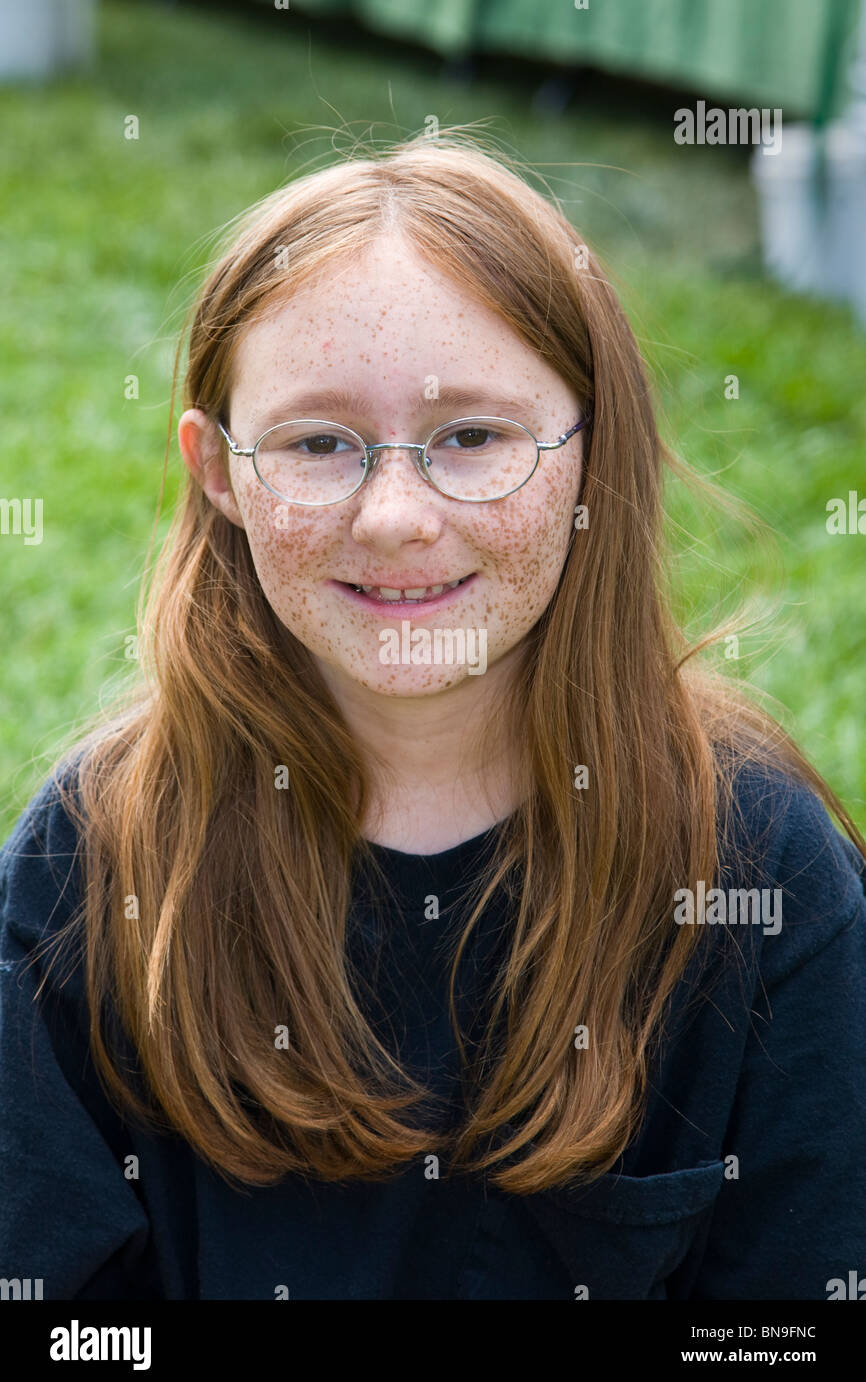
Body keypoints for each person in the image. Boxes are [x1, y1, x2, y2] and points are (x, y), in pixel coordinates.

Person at [1, 132, 864, 1301]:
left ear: (590, 454)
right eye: (316, 443)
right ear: (216, 473)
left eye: (471, 437)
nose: (396, 515)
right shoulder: (88, 862)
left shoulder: (761, 873)